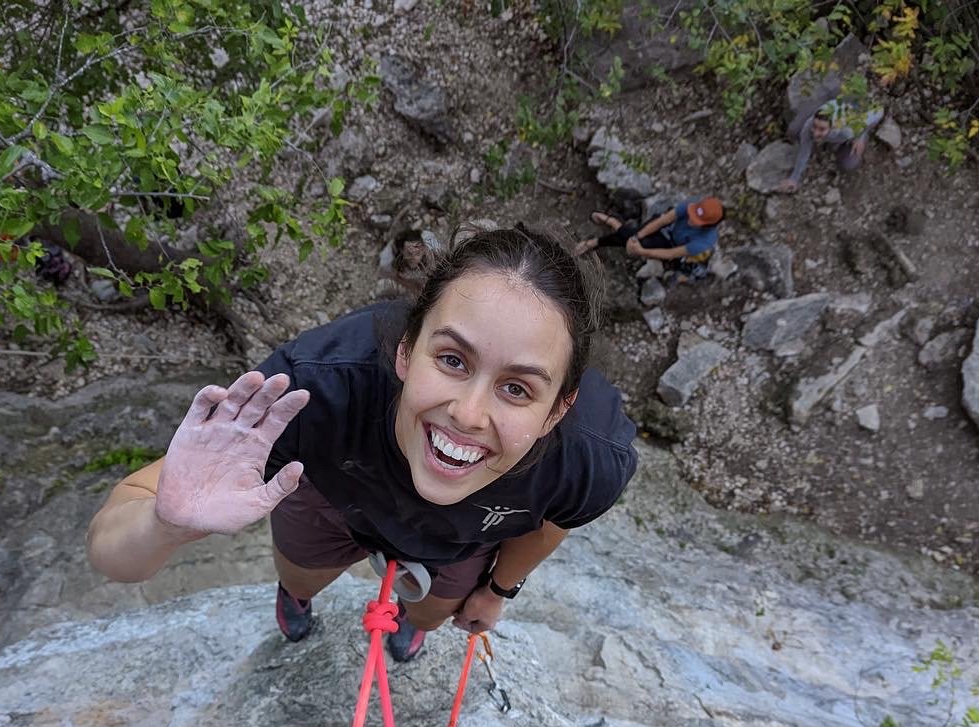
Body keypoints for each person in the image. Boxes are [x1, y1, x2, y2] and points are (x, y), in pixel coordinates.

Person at [86, 226, 639, 663]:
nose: (468, 414)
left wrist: (497, 591)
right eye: (452, 360)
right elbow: (114, 540)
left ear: (557, 410)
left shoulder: (588, 459)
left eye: (517, 389)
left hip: (461, 539)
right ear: (406, 351)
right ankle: (297, 596)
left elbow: (552, 519)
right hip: (335, 491)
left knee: (428, 615)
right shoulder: (313, 389)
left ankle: (411, 622)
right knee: (300, 575)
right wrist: (166, 526)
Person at [573, 197, 724, 280]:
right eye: (691, 215)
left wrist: (641, 251)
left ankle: (605, 230)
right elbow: (662, 221)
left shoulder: (704, 241)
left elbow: (671, 254)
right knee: (631, 236)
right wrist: (637, 236)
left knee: (636, 242)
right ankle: (606, 229)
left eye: (696, 221)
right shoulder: (692, 205)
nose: (690, 220)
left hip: (670, 243)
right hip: (665, 228)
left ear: (708, 225)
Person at [777, 96, 884, 192]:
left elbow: (879, 111)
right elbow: (804, 152)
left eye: (821, 129)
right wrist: (794, 179)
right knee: (795, 131)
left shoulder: (847, 130)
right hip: (836, 106)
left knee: (848, 163)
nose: (815, 133)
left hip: (855, 116)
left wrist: (861, 136)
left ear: (832, 127)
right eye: (815, 126)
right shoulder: (809, 126)